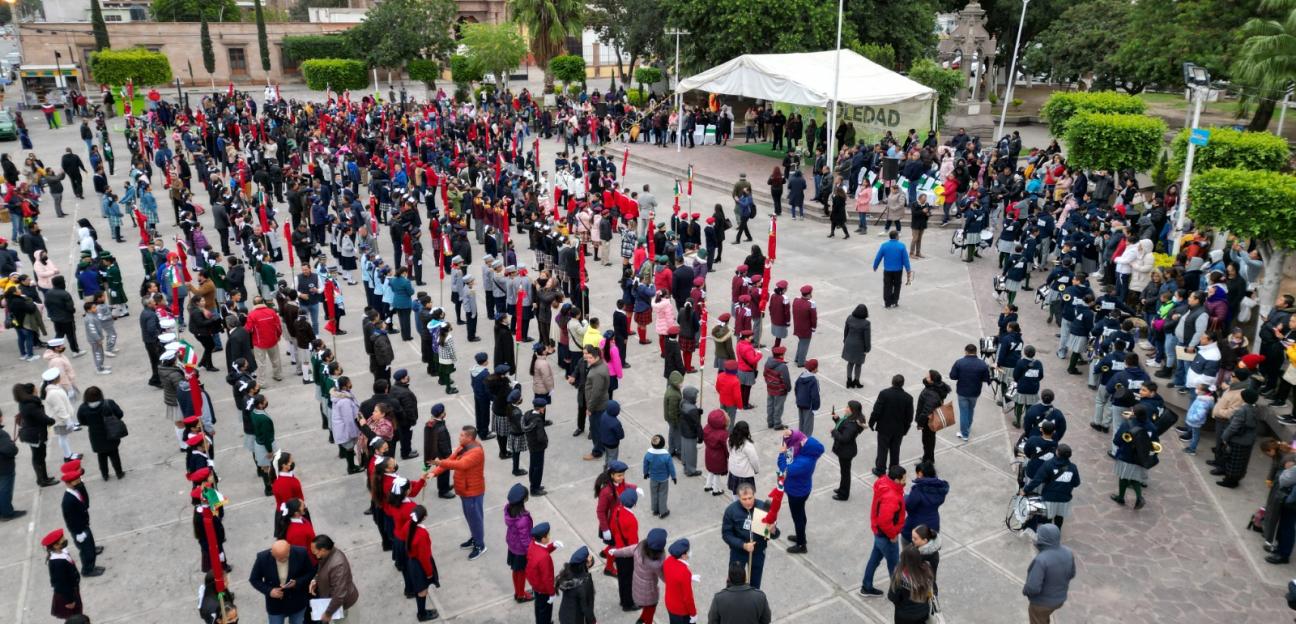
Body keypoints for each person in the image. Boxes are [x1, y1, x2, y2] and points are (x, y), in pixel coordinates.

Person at [430, 425, 488, 560]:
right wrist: (434, 473)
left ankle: (480, 545)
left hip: (473, 492)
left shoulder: (476, 452)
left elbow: (461, 465)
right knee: (470, 518)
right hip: (465, 490)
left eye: (462, 435)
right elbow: (451, 459)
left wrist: (439, 461)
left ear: (469, 437)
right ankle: (475, 538)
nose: (459, 437)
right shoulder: (463, 446)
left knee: (475, 519)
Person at [861, 465, 906, 597]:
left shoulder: (884, 483)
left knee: (874, 559)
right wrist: (892, 535)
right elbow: (885, 521)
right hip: (886, 536)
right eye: (903, 479)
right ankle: (897, 594)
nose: (905, 481)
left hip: (879, 533)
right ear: (896, 480)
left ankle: (866, 586)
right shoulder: (891, 497)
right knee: (894, 566)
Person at [721, 482, 775, 589]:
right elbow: (726, 534)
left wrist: (772, 530)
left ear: (754, 495)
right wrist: (743, 545)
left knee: (755, 583)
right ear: (738, 498)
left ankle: (753, 601)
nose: (748, 501)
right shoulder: (731, 511)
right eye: (744, 499)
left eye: (750, 498)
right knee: (733, 583)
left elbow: (773, 533)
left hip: (758, 552)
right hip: (738, 552)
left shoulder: (763, 507)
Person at [248, 539, 316, 624]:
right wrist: (270, 591)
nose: (282, 560)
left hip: (297, 602)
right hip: (275, 605)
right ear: (272, 552)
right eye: (278, 558)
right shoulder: (262, 558)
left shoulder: (301, 553)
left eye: (285, 557)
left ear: (290, 549)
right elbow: (254, 579)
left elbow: (310, 572)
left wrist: (297, 583)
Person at [1021, 444, 1080, 534]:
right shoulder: (1073, 468)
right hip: (1064, 499)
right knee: (1059, 518)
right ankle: (1057, 532)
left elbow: (1037, 480)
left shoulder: (1048, 464)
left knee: (1047, 519)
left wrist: (1025, 490)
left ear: (1057, 453)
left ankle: (1047, 536)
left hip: (1049, 498)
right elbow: (1076, 483)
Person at [778, 434, 823, 554]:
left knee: (797, 518)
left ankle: (801, 545)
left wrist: (782, 453)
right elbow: (791, 458)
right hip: (802, 490)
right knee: (801, 515)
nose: (802, 442)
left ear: (808, 448)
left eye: (805, 443)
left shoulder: (804, 462)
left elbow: (784, 468)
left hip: (796, 493)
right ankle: (800, 535)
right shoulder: (808, 456)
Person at [1022, 524, 1075, 624]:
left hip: (1041, 604)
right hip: (1060, 599)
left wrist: (1025, 591)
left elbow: (1032, 588)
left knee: (1037, 619)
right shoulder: (1068, 553)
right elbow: (1071, 574)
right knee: (1044, 617)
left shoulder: (1041, 560)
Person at [60, 469, 104, 576]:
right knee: (86, 550)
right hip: (79, 529)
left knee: (90, 547)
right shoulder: (68, 501)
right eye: (76, 480)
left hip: (84, 525)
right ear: (68, 483)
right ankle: (87, 570)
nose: (79, 481)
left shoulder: (75, 491)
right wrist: (78, 533)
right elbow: (70, 520)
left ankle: (91, 566)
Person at [75, 386, 125, 480]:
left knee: (101, 456)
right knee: (114, 454)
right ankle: (119, 473)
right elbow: (120, 414)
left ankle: (105, 475)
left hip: (95, 436)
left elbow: (82, 421)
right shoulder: (108, 403)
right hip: (111, 433)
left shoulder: (83, 408)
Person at [869, 374, 914, 476]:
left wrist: (871, 422)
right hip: (898, 430)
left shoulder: (884, 394)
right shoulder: (908, 398)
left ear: (892, 382)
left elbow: (877, 410)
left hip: (884, 428)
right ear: (903, 384)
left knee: (882, 449)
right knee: (895, 450)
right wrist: (905, 430)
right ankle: (894, 471)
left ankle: (880, 470)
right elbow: (909, 417)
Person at [1215, 388, 1260, 488]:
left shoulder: (1242, 410)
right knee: (1242, 462)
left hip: (1238, 440)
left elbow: (1233, 427)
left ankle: (1229, 481)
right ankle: (1235, 480)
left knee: (1232, 462)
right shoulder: (1255, 408)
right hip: (1248, 440)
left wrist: (1224, 437)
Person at [309, 535, 360, 623]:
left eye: (315, 552)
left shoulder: (338, 565)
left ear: (323, 550)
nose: (314, 554)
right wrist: (315, 580)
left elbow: (339, 594)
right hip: (334, 604)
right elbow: (321, 569)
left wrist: (328, 613)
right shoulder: (327, 555)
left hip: (343, 605)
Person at [948, 343, 991, 441]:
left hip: (962, 392)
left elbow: (952, 376)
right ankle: (967, 427)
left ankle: (965, 434)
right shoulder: (982, 364)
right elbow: (986, 379)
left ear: (966, 351)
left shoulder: (959, 362)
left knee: (963, 412)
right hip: (975, 392)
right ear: (976, 352)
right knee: (971, 410)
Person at [707, 561, 772, 624]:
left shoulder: (719, 599)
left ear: (729, 578)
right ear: (745, 577)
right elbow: (766, 619)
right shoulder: (760, 596)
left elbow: (712, 621)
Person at [887, 545, 937, 624]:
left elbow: (892, 597)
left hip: (904, 616)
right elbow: (931, 591)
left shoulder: (899, 576)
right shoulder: (927, 571)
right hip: (923, 613)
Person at [902, 462, 948, 544]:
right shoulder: (940, 488)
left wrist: (904, 497)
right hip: (933, 525)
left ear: (920, 474)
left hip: (916, 527)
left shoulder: (918, 489)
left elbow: (909, 505)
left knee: (909, 553)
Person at [43, 529, 84, 620]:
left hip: (72, 589)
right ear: (56, 546)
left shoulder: (62, 552)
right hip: (68, 594)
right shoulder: (58, 563)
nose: (65, 541)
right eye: (62, 541)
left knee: (77, 615)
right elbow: (61, 584)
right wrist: (70, 600)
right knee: (74, 618)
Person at [830, 401, 866, 501]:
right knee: (844, 472)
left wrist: (834, 432)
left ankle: (844, 494)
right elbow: (842, 427)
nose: (845, 409)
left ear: (852, 410)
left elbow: (844, 438)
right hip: (845, 450)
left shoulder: (852, 424)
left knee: (845, 474)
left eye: (847, 407)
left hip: (846, 452)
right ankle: (842, 488)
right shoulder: (849, 419)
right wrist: (836, 419)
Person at [526, 522, 560, 624]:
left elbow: (541, 550)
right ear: (543, 539)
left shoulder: (533, 544)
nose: (549, 536)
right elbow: (547, 578)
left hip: (536, 586)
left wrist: (553, 545)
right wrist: (552, 593)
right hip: (544, 589)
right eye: (548, 535)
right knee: (546, 612)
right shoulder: (545, 558)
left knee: (539, 608)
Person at [915, 371, 951, 465]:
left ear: (932, 381)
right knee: (929, 440)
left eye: (928, 377)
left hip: (929, 421)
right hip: (932, 418)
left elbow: (926, 411)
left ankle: (928, 461)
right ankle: (927, 457)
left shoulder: (931, 393)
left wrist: (920, 424)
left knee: (928, 441)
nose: (925, 377)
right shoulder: (937, 387)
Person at [872, 231, 913, 308]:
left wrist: (875, 266)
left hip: (887, 270)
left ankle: (887, 303)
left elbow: (878, 257)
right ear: (896, 236)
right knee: (897, 286)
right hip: (898, 270)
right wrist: (908, 270)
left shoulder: (884, 245)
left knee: (887, 286)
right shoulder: (901, 246)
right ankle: (895, 301)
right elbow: (905, 259)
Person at [557, 546, 597, 623]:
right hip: (575, 619)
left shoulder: (568, 572)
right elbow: (587, 607)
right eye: (589, 558)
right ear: (585, 564)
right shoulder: (585, 583)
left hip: (564, 614)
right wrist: (593, 621)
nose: (591, 558)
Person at [662, 538, 697, 624]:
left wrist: (689, 578)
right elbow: (688, 598)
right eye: (688, 551)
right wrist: (693, 614)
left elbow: (673, 578)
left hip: (670, 604)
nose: (690, 552)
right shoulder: (684, 572)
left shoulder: (668, 561)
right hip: (681, 611)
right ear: (683, 555)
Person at [644, 434, 678, 518]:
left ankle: (655, 510)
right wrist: (673, 477)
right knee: (662, 494)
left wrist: (645, 473)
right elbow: (671, 468)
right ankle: (663, 512)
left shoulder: (648, 454)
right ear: (663, 444)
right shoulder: (666, 456)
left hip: (653, 478)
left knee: (654, 493)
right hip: (663, 479)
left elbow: (645, 465)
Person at [840, 304, 872, 389]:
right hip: (860, 346)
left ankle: (849, 380)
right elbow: (867, 338)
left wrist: (845, 340)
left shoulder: (849, 318)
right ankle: (856, 381)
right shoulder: (866, 323)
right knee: (858, 364)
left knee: (850, 363)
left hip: (849, 342)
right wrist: (867, 348)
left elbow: (845, 331)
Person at [791, 285, 817, 367]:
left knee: (801, 343)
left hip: (797, 327)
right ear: (809, 294)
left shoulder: (796, 300)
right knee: (804, 345)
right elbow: (813, 318)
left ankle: (797, 358)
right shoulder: (811, 304)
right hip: (806, 328)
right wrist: (813, 327)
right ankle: (801, 362)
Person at [793, 359, 821, 435]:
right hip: (809, 406)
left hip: (800, 403)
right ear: (815, 369)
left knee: (801, 423)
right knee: (808, 426)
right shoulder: (813, 380)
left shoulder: (801, 376)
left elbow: (796, 389)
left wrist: (798, 399)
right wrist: (815, 408)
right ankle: (805, 443)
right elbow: (815, 396)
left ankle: (799, 440)